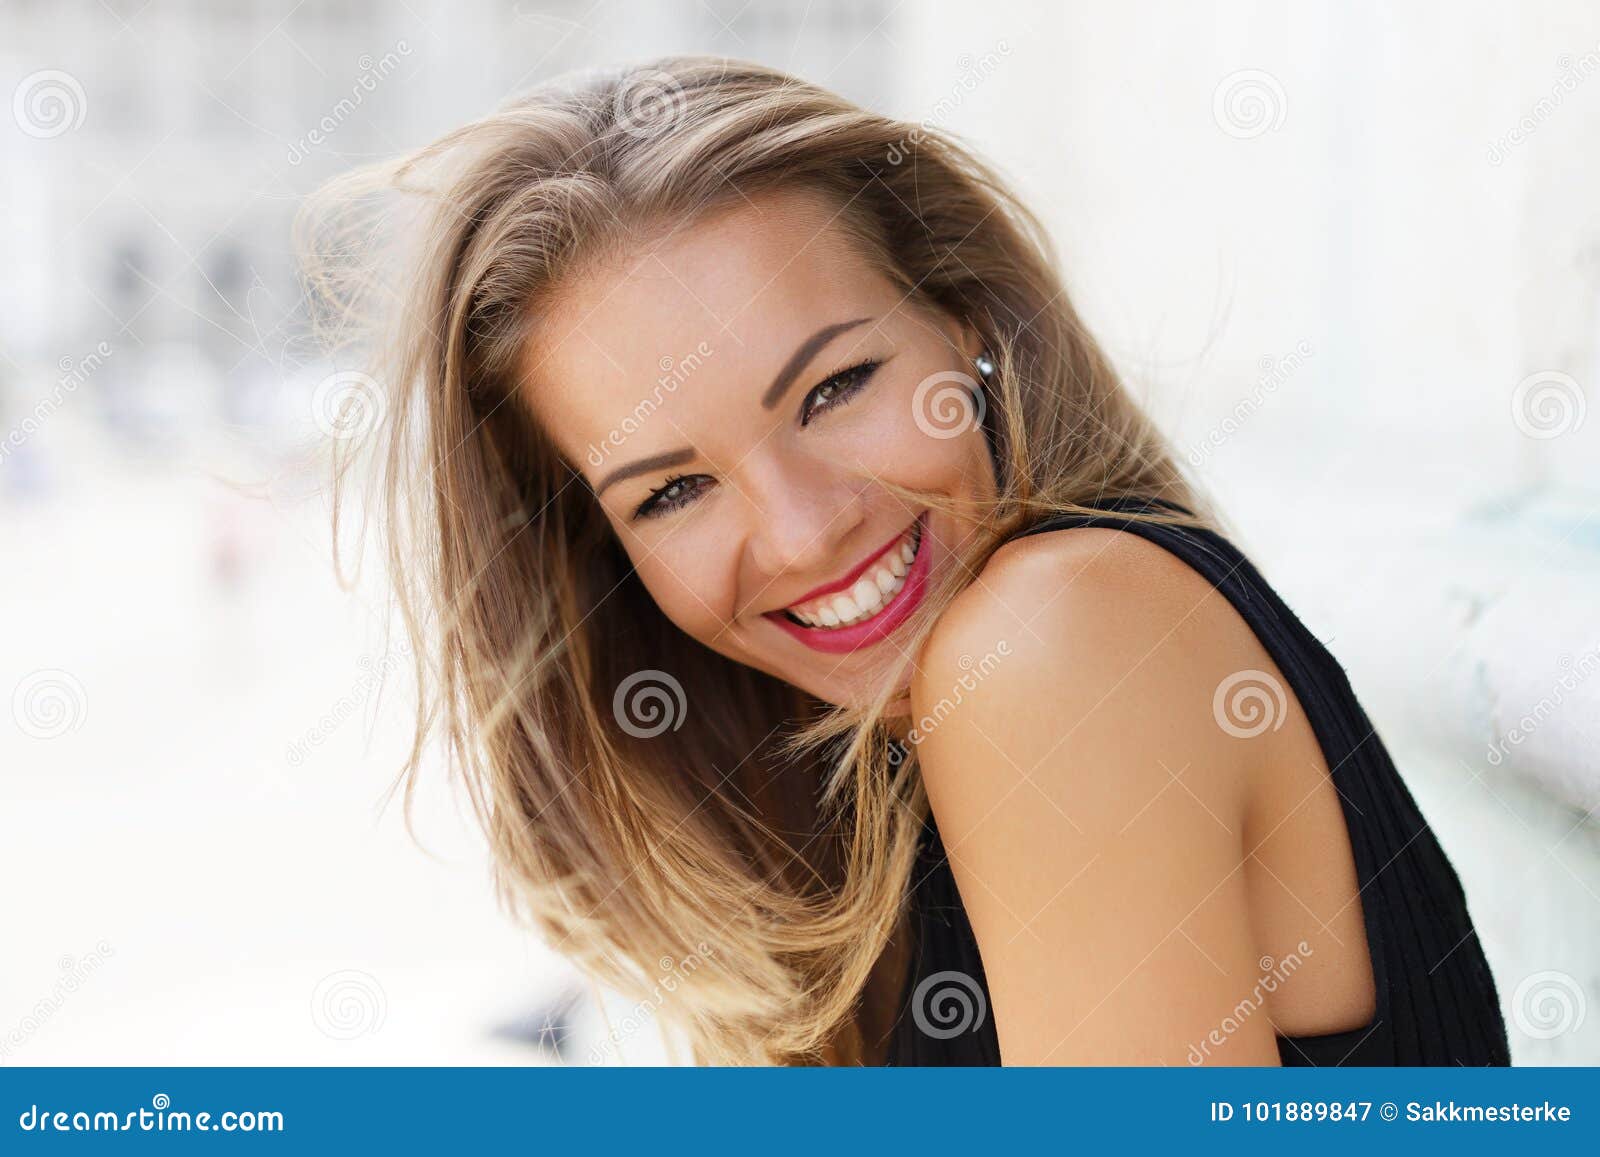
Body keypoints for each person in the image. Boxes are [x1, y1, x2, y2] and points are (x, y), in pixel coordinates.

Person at [295, 55, 1509, 1066]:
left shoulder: (1056, 640)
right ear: (600, 550)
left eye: (834, 387)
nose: (803, 527)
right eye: (671, 489)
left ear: (962, 322)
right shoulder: (892, 768)